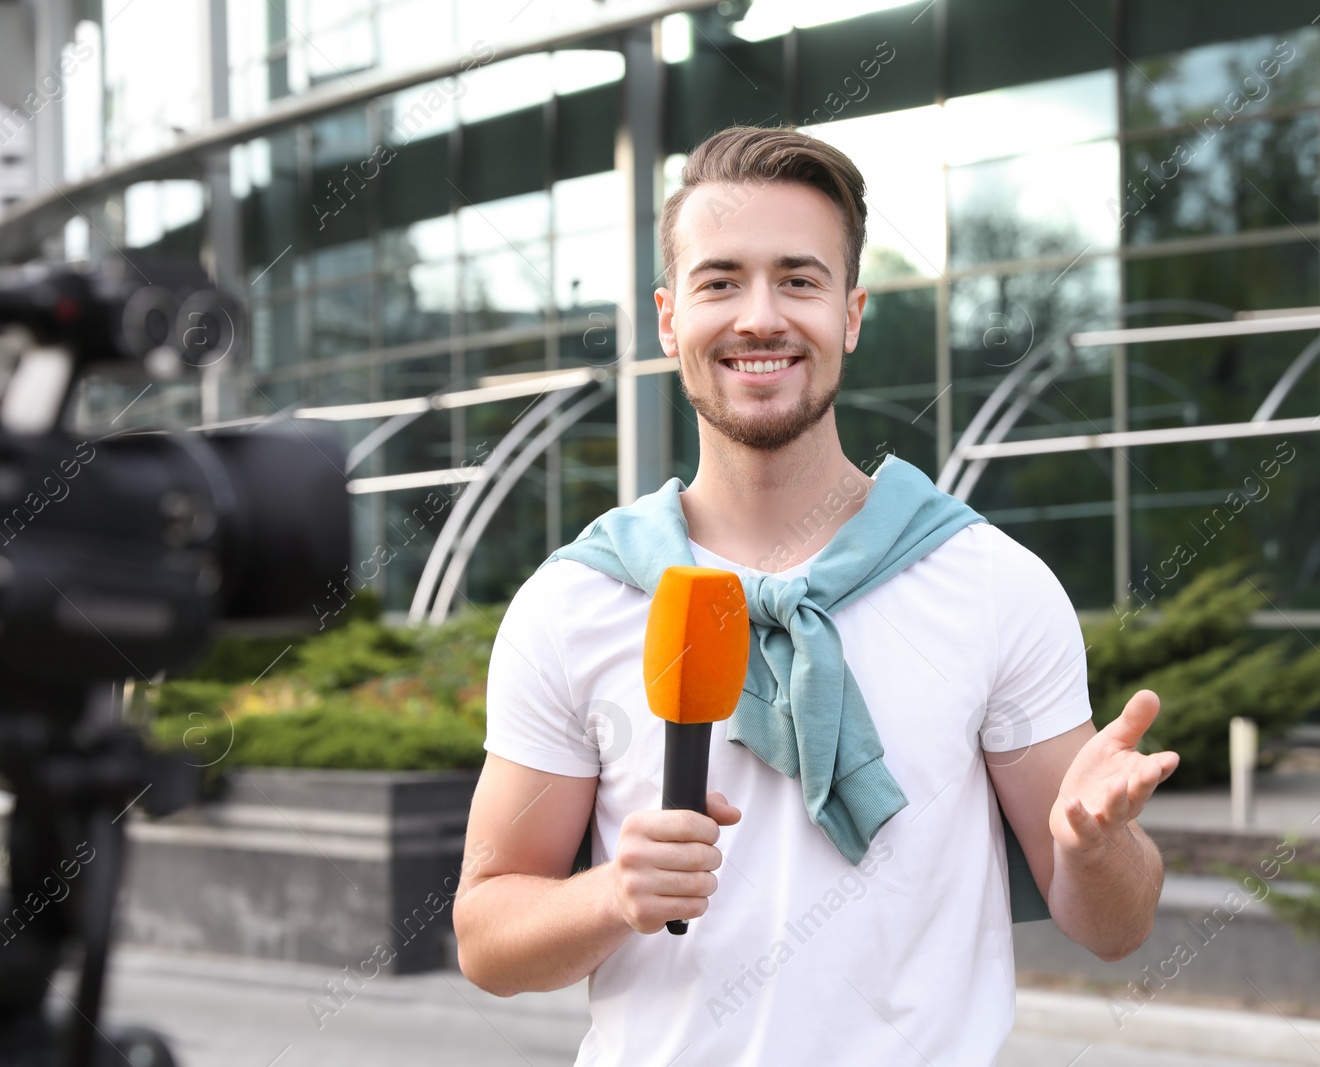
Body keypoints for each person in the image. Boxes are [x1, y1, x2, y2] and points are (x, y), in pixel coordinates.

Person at [452, 125, 1179, 1066]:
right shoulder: (574, 602)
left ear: (852, 313)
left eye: (799, 279)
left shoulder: (989, 583)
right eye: (721, 282)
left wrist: (1092, 847)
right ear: (670, 319)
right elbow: (486, 933)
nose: (760, 317)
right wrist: (611, 893)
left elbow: (1115, 928)